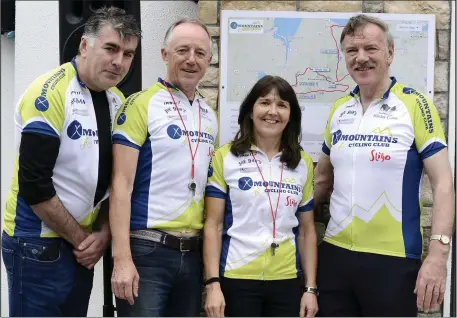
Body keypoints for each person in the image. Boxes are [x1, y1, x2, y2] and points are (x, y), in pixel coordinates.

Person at [1, 6, 141, 317]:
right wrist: (83, 241)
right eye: (111, 48)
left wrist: (104, 233)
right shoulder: (50, 92)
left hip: (81, 248)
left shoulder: (116, 100)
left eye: (128, 54)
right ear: (84, 46)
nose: (120, 61)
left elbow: (116, 181)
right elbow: (35, 185)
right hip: (36, 245)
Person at [314, 14, 455, 317]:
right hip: (335, 257)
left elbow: (443, 183)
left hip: (393, 259)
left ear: (390, 53)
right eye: (352, 51)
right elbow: (322, 181)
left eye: (370, 49)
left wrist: (438, 254)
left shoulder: (415, 104)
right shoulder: (339, 109)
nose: (360, 58)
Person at [109, 18, 218, 317]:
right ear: (164, 54)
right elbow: (120, 185)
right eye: (182, 50)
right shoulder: (139, 104)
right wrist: (121, 259)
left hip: (191, 254)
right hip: (147, 253)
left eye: (200, 53)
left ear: (209, 60)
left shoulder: (210, 116)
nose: (191, 60)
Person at [203, 75, 319, 318]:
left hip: (287, 280)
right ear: (250, 110)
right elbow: (213, 224)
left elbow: (307, 231)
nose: (272, 112)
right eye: (265, 102)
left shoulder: (302, 163)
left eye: (282, 105)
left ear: (291, 115)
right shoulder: (225, 157)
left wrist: (310, 288)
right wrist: (213, 284)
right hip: (236, 279)